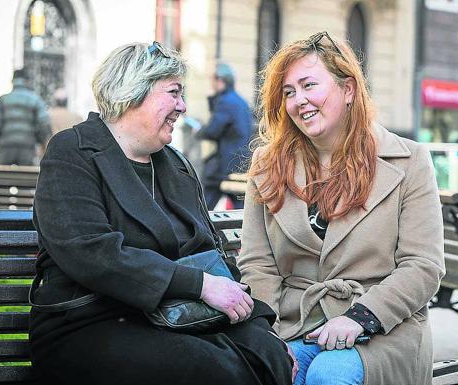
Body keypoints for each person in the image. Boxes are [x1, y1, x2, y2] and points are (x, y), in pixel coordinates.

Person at [28, 42, 293, 385]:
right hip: (88, 322)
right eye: (173, 93)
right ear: (132, 92)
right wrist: (198, 286)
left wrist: (260, 324)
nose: (182, 106)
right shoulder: (73, 151)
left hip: (178, 317)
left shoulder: (175, 165)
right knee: (212, 370)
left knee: (269, 355)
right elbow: (91, 251)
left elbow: (209, 256)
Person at [238, 32, 445, 385]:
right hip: (295, 324)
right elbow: (258, 264)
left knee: (329, 373)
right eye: (289, 92)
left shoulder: (408, 161)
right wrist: (268, 334)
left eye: (309, 85)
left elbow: (423, 266)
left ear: (348, 90)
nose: (299, 100)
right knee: (260, 370)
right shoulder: (267, 164)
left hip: (382, 328)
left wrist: (359, 318)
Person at [195, 62, 253, 209]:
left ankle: (200, 228)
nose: (211, 84)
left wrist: (199, 131)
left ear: (220, 81)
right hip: (240, 161)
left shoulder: (226, 102)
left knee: (205, 205)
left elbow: (213, 130)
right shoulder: (240, 101)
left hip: (225, 163)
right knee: (239, 205)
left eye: (213, 80)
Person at [0, 69, 51, 165]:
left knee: (3, 177)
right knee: (26, 178)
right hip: (27, 147)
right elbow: (43, 123)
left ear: (13, 81)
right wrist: (39, 140)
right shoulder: (35, 100)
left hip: (6, 147)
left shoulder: (3, 100)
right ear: (27, 81)